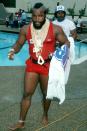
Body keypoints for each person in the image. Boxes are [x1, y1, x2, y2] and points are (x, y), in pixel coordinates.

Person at [8, 2, 70, 130]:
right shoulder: (26, 29)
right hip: (32, 65)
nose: (37, 19)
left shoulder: (56, 29)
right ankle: (21, 122)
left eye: (40, 16)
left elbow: (66, 44)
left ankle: (45, 114)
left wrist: (57, 53)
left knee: (46, 94)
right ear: (32, 15)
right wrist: (13, 50)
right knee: (26, 93)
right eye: (34, 16)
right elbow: (19, 44)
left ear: (45, 15)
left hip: (48, 66)